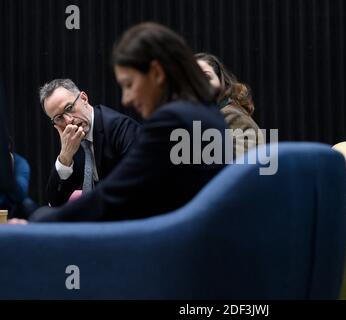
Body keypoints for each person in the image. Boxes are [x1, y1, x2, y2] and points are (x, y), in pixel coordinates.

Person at [22, 22, 227, 223]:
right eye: (58, 117)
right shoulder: (204, 111)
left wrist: (40, 224)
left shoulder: (170, 121)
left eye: (129, 84)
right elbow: (56, 199)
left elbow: (117, 195)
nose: (125, 99)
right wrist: (65, 157)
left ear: (156, 73)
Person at [40, 79, 141, 207]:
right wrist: (65, 157)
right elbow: (54, 201)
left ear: (84, 98)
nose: (69, 120)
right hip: (96, 212)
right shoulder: (71, 140)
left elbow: (136, 186)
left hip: (123, 210)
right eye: (59, 118)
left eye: (69, 108)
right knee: (41, 215)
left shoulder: (121, 128)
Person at [195, 53, 264, 158]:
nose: (201, 84)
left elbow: (240, 165)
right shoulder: (205, 116)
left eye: (206, 77)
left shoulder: (231, 115)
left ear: (221, 81)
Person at [0, 136, 37, 219]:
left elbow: (20, 195)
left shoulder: (20, 163)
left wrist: (6, 173)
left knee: (28, 205)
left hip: (11, 204)